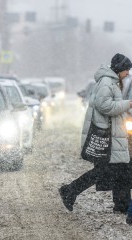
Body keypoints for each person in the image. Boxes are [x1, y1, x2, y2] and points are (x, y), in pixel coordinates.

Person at [59, 53, 132, 214]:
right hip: (108, 138)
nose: (128, 73)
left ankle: (122, 205)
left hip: (114, 136)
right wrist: (127, 104)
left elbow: (111, 107)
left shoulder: (112, 81)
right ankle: (70, 190)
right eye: (126, 69)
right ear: (119, 68)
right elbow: (105, 106)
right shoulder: (107, 82)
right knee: (104, 172)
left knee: (123, 171)